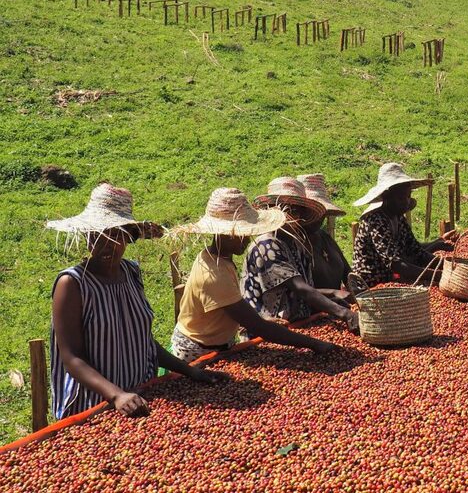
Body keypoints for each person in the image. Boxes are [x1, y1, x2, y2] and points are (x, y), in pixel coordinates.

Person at [47, 184, 225, 419]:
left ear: (129, 237)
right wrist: (116, 395)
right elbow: (71, 358)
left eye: (116, 235)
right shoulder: (72, 284)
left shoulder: (131, 273)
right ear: (87, 237)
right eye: (97, 235)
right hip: (94, 405)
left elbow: (143, 342)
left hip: (142, 396)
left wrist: (190, 372)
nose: (106, 244)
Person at [170, 188, 335, 363]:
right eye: (243, 234)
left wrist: (262, 319)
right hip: (196, 352)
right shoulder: (214, 273)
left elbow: (229, 309)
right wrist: (314, 344)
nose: (248, 240)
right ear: (227, 234)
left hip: (217, 344)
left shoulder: (215, 257)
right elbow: (258, 328)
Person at [243, 177, 359, 332]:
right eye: (284, 209)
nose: (289, 215)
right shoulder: (267, 244)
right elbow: (300, 288)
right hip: (270, 331)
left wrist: (333, 296)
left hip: (300, 324)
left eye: (295, 210)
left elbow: (306, 289)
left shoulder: (296, 243)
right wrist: (345, 313)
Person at [350, 163, 456, 290]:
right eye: (401, 197)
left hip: (390, 280)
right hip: (370, 286)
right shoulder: (376, 221)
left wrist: (450, 266)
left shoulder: (399, 218)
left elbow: (417, 251)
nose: (406, 201)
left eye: (408, 196)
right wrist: (439, 275)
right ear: (387, 197)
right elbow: (398, 265)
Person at [297, 174, 351, 291]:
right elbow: (299, 291)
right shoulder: (293, 243)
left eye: (322, 211)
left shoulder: (324, 236)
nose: (320, 216)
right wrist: (333, 295)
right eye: (313, 211)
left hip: (339, 306)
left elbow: (348, 275)